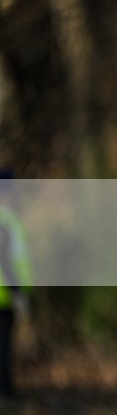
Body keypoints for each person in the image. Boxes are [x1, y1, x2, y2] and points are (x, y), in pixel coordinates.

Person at [0, 169, 33, 402]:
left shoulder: (9, 218)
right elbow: (6, 260)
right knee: (2, 346)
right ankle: (4, 391)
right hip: (4, 294)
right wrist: (17, 292)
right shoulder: (4, 220)